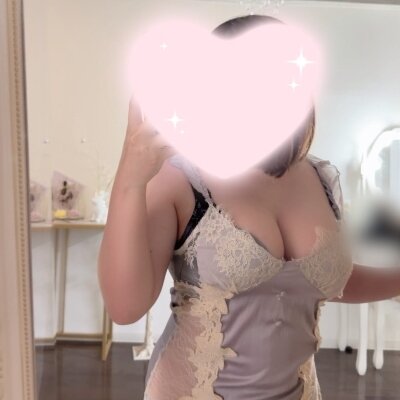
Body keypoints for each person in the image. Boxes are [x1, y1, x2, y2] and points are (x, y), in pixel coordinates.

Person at [98, 14, 400, 400]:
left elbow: (325, 279)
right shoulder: (180, 178)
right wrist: (130, 180)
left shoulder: (320, 178)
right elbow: (125, 307)